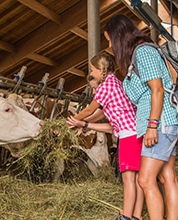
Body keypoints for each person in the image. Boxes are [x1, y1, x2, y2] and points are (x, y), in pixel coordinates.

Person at [104, 14, 178, 220]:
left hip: (160, 124)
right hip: (164, 122)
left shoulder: (144, 52)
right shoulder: (137, 56)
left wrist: (151, 126)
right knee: (167, 177)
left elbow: (157, 90)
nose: (110, 45)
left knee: (146, 180)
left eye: (109, 39)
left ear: (117, 36)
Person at [67, 51, 144, 220]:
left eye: (92, 70)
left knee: (128, 179)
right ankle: (136, 216)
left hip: (129, 135)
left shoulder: (106, 85)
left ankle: (126, 216)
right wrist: (82, 124)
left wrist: (71, 121)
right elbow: (100, 114)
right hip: (134, 133)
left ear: (101, 69)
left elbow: (90, 109)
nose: (91, 73)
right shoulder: (114, 82)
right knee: (136, 179)